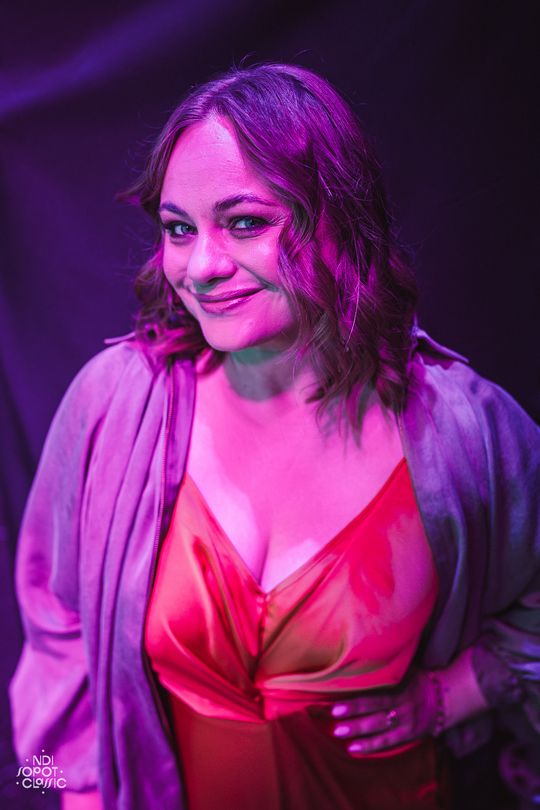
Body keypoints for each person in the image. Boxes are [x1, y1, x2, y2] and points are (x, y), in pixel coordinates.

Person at [9, 63, 540, 810]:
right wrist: (66, 792)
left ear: (337, 219)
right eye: (179, 228)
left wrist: (456, 694)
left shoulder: (464, 431)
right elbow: (53, 634)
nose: (202, 267)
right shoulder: (116, 405)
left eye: (245, 223)